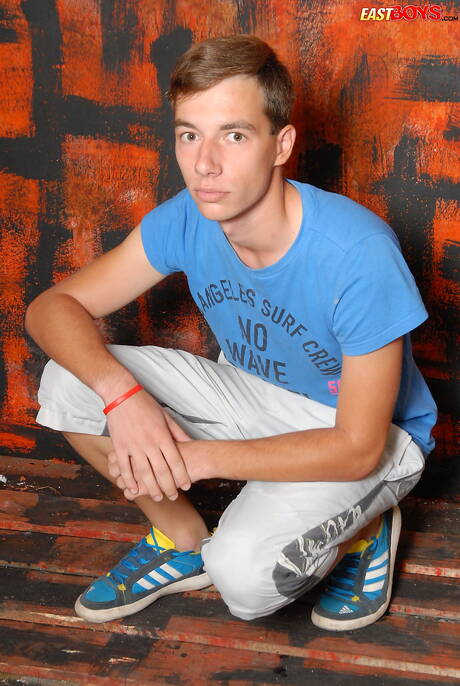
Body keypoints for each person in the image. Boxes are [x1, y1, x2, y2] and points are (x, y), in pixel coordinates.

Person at [25, 35, 437, 632]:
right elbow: (51, 308)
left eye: (234, 135)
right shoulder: (188, 216)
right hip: (253, 399)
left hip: (368, 437)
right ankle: (182, 540)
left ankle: (365, 527)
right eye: (190, 135)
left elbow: (358, 446)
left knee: (243, 581)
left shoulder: (357, 252)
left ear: (281, 145)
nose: (205, 163)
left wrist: (195, 459)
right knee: (71, 380)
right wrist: (124, 398)